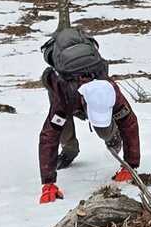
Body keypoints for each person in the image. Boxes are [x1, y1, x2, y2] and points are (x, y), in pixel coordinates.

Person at [37, 31, 141, 204]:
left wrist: (130, 165)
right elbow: (49, 136)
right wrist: (48, 183)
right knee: (61, 126)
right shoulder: (63, 95)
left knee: (104, 129)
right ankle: (70, 149)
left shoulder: (111, 91)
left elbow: (129, 124)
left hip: (84, 74)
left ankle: (112, 137)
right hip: (63, 85)